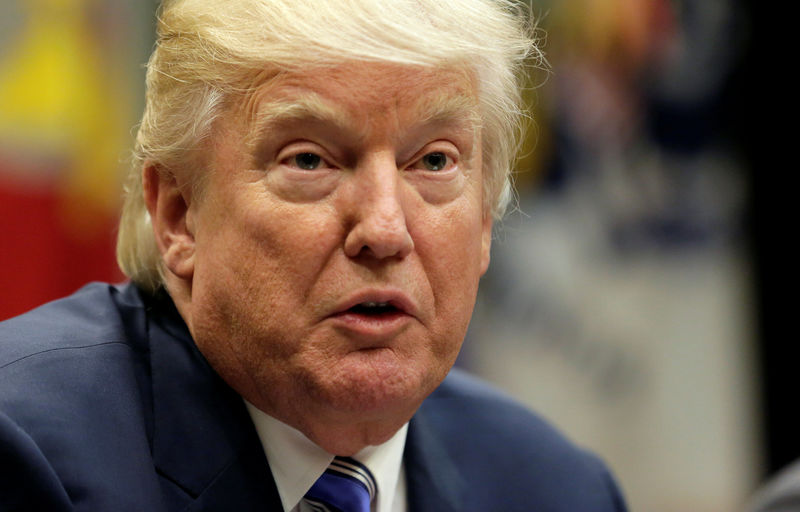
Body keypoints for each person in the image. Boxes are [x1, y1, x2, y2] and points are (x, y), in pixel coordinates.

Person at [0, 0, 628, 510]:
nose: (385, 229)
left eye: (434, 161)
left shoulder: (556, 489)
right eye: (309, 160)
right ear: (179, 215)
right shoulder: (27, 454)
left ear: (486, 222)